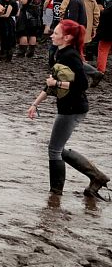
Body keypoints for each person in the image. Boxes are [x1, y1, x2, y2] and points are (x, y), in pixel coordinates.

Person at [28, 19, 109, 198]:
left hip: (73, 108)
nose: (51, 36)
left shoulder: (70, 55)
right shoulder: (60, 52)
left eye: (56, 33)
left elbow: (81, 85)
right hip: (69, 106)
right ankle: (97, 177)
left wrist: (56, 82)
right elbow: (51, 85)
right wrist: (35, 103)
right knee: (57, 148)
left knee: (54, 150)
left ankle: (55, 196)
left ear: (67, 37)